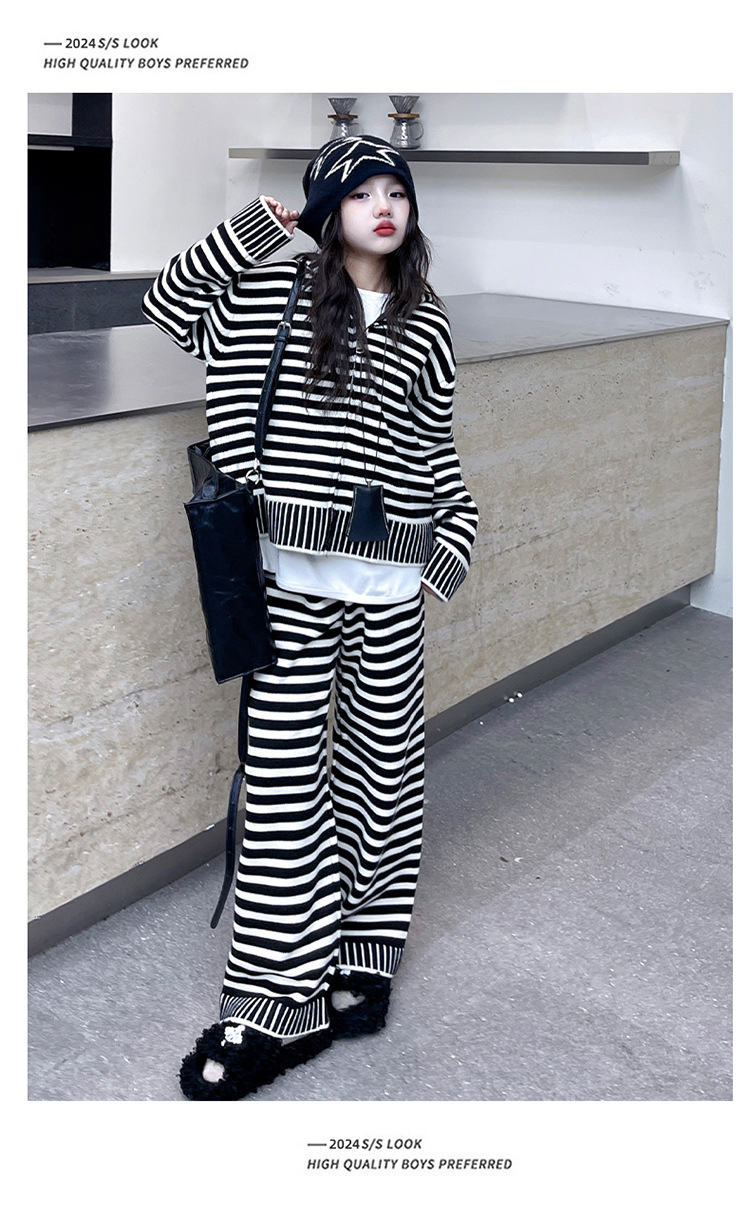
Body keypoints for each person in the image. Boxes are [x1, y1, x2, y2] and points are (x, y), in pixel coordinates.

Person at [142, 134, 479, 1100]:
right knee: (287, 788)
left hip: (392, 587)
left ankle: (366, 952)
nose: (385, 206)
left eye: (396, 191)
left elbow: (436, 447)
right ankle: (275, 1000)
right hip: (286, 583)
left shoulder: (428, 320)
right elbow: (166, 301)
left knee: (385, 777)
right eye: (362, 192)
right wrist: (258, 228)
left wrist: (449, 544)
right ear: (329, 209)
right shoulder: (266, 294)